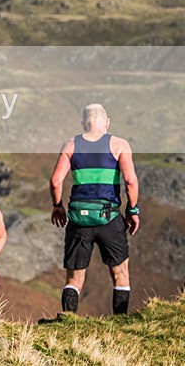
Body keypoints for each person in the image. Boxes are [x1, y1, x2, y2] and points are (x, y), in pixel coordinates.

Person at [49, 104, 140, 315]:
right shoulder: (119, 145)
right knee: (120, 273)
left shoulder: (71, 145)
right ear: (107, 122)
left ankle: (69, 323)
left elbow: (55, 182)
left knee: (74, 278)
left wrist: (57, 206)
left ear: (83, 123)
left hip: (78, 220)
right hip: (110, 217)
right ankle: (120, 323)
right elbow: (130, 181)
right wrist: (132, 211)